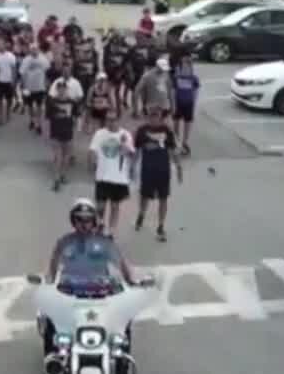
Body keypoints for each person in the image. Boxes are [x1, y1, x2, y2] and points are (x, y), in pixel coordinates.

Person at [40, 199, 136, 357]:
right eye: (79, 219)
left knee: (123, 321)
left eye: (88, 220)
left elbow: (122, 262)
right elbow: (52, 267)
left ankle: (121, 361)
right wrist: (48, 283)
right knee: (51, 318)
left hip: (101, 294)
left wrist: (131, 280)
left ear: (94, 221)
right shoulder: (64, 242)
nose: (84, 224)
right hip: (70, 294)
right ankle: (53, 361)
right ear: (73, 221)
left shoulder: (105, 242)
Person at [133, 106, 183, 242]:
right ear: (148, 116)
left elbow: (173, 151)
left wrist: (178, 167)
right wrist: (131, 168)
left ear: (161, 116)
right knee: (144, 197)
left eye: (156, 115)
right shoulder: (142, 131)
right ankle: (141, 214)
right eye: (151, 115)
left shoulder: (167, 130)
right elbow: (136, 151)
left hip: (163, 170)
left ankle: (161, 226)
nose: (154, 117)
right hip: (147, 170)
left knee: (163, 198)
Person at [89, 110, 134, 237]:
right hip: (102, 176)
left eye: (113, 119)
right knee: (100, 206)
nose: (111, 122)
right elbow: (92, 150)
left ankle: (111, 230)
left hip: (119, 177)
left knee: (115, 206)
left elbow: (131, 154)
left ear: (118, 120)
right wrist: (92, 164)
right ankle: (100, 224)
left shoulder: (125, 135)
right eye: (108, 119)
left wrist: (124, 145)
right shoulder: (99, 134)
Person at [46, 77, 80, 191]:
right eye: (59, 88)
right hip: (55, 131)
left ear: (66, 89)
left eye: (63, 88)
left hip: (68, 131)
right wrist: (48, 132)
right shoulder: (51, 102)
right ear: (57, 89)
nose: (61, 91)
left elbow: (76, 116)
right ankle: (56, 179)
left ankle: (63, 175)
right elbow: (48, 117)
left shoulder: (72, 102)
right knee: (58, 156)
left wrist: (76, 127)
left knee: (66, 156)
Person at [170, 54, 201, 156]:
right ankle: (176, 141)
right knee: (176, 123)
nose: (185, 68)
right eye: (183, 66)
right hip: (178, 103)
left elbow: (196, 92)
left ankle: (185, 142)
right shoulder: (176, 78)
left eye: (188, 66)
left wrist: (194, 104)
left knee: (187, 124)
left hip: (189, 104)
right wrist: (173, 105)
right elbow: (173, 92)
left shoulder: (194, 79)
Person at [19, 43, 51, 134]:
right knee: (29, 106)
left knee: (39, 106)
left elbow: (47, 72)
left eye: (35, 49)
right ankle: (32, 120)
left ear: (38, 49)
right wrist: (23, 85)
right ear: (30, 50)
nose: (34, 50)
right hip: (28, 87)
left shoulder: (43, 59)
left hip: (40, 87)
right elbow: (22, 73)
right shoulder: (26, 60)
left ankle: (38, 124)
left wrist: (47, 85)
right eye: (32, 49)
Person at [0, 38, 18, 129]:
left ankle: (8, 113)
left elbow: (14, 69)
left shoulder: (11, 56)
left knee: (9, 100)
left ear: (5, 45)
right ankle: (0, 116)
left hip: (9, 81)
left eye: (1, 44)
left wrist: (14, 81)